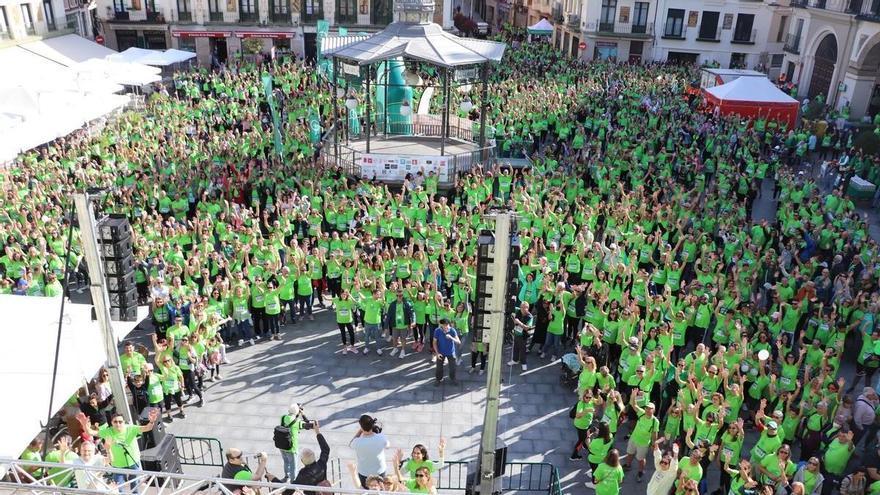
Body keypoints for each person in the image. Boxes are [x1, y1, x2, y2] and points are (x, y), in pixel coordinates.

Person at [82, 409, 160, 491]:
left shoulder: (131, 428)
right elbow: (90, 432)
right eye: (115, 422)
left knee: (135, 487)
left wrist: (151, 421)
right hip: (118, 465)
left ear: (124, 422)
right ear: (111, 423)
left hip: (133, 461)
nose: (118, 424)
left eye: (120, 421)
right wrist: (84, 424)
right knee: (119, 488)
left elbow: (147, 428)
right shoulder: (108, 432)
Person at [623, 396, 659, 483]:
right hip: (633, 439)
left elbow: (654, 434)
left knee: (640, 459)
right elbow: (633, 404)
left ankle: (640, 471)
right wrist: (633, 395)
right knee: (629, 453)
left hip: (643, 443)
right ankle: (628, 465)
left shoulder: (655, 421)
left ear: (653, 410)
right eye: (646, 408)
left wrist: (654, 444)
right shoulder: (642, 413)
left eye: (650, 409)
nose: (647, 410)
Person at [350, 414, 390, 487]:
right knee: (380, 490)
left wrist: (359, 432)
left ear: (361, 427)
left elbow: (351, 444)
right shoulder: (381, 438)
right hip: (380, 471)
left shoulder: (357, 442)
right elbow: (388, 446)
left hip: (364, 473)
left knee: (365, 491)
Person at [278, 403, 305, 482]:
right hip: (292, 447)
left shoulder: (283, 417)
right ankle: (294, 481)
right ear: (297, 412)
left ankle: (287, 476)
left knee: (286, 462)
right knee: (293, 466)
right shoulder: (298, 422)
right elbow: (308, 424)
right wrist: (303, 414)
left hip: (282, 445)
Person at [386, 290, 416, 359]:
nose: (399, 297)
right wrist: (385, 326)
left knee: (403, 339)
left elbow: (412, 313)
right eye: (397, 296)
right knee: (394, 338)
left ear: (402, 296)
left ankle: (403, 350)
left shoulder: (407, 303)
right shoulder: (392, 304)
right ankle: (395, 348)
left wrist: (413, 321)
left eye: (400, 295)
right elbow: (388, 315)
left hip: (404, 325)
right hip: (395, 325)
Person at [433, 318, 461, 385]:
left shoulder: (452, 330)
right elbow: (434, 343)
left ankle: (453, 378)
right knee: (439, 368)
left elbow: (458, 342)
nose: (446, 327)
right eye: (444, 325)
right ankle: (438, 379)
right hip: (441, 352)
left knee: (452, 368)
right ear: (441, 325)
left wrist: (451, 337)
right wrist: (437, 353)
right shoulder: (437, 331)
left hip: (451, 352)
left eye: (447, 325)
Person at [510, 301, 534, 372]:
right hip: (516, 333)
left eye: (524, 308)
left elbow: (527, 328)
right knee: (515, 347)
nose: (522, 309)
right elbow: (512, 307)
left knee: (522, 350)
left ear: (528, 308)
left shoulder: (530, 317)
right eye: (521, 307)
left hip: (523, 336)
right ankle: (515, 360)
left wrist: (518, 322)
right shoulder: (518, 311)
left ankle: (524, 363)